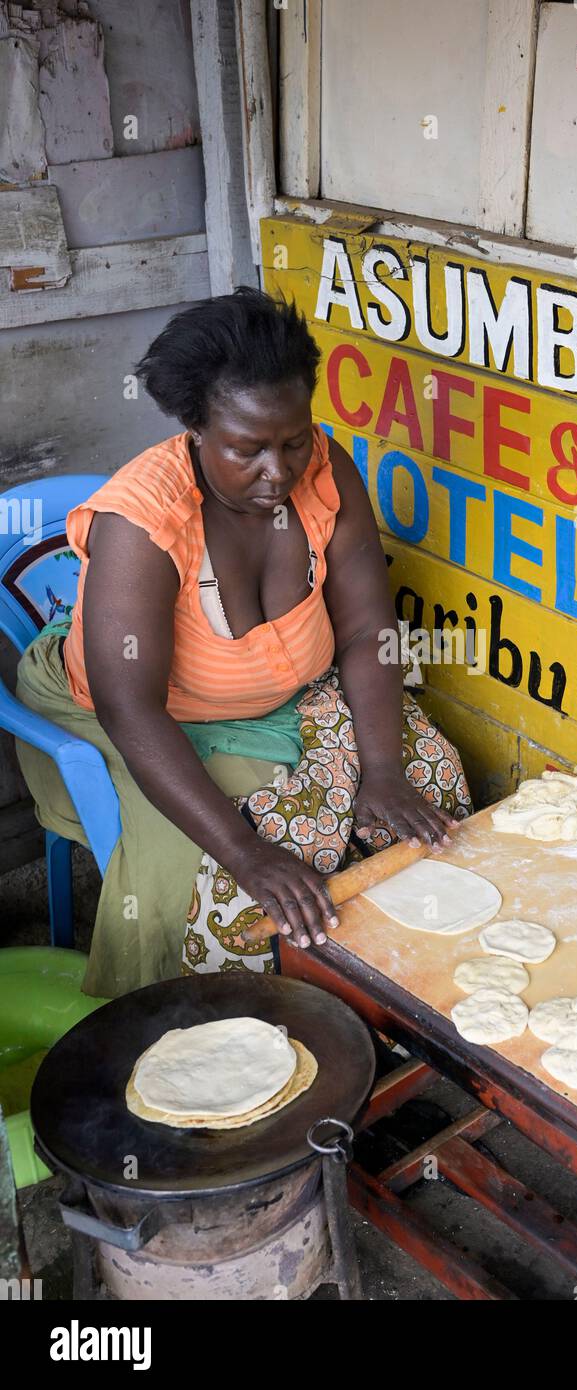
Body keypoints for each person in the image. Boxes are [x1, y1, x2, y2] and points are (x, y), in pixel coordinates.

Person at [16, 289, 472, 997]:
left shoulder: (326, 468)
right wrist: (245, 853)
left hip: (286, 693)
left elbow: (365, 628)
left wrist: (382, 766)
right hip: (136, 714)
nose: (280, 470)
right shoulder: (143, 523)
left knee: (429, 777)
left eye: (293, 440)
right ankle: (240, 1034)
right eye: (248, 449)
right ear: (197, 429)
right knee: (241, 877)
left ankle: (400, 1002)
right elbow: (130, 707)